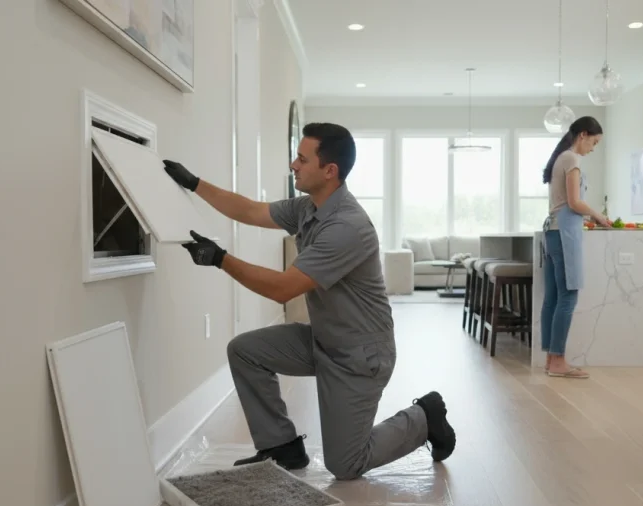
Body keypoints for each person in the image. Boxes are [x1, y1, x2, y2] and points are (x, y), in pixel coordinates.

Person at [161, 122, 455, 481]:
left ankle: (425, 416)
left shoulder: (347, 226)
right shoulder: (308, 208)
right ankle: (281, 447)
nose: (293, 165)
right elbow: (251, 211)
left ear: (329, 171)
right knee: (245, 350)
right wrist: (194, 184)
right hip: (324, 341)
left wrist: (220, 258)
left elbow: (283, 289)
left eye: (302, 159)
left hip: (360, 355)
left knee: (346, 465)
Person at [539, 116, 609, 379]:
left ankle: (551, 359)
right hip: (564, 234)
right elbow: (574, 202)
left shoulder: (562, 158)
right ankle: (558, 361)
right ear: (583, 135)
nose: (593, 148)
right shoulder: (571, 159)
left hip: (555, 232)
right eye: (594, 142)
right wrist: (598, 216)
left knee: (554, 299)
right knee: (568, 297)